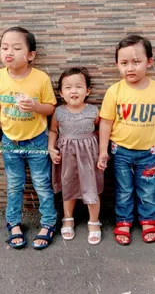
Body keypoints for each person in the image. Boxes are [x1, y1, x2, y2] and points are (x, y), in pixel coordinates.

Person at [0, 26, 57, 249]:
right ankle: (13, 223)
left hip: (37, 140)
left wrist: (35, 106)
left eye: (16, 47)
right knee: (14, 185)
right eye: (4, 47)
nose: (9, 52)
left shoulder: (40, 78)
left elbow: (51, 108)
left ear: (31, 55)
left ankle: (48, 222)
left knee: (42, 183)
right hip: (9, 141)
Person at [98, 34, 155, 245]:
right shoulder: (114, 91)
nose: (130, 68)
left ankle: (148, 219)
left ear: (149, 61)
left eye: (136, 62)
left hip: (149, 153)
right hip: (120, 152)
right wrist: (103, 151)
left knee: (148, 189)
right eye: (124, 63)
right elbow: (105, 122)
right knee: (123, 189)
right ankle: (123, 221)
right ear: (117, 65)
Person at [48, 67, 103, 244]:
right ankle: (68, 218)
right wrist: (51, 149)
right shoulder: (58, 112)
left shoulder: (94, 111)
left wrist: (103, 152)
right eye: (68, 87)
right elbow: (53, 130)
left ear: (88, 91)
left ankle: (94, 222)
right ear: (61, 93)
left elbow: (100, 131)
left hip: (89, 156)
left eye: (79, 86)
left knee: (91, 187)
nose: (73, 91)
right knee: (69, 186)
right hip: (67, 156)